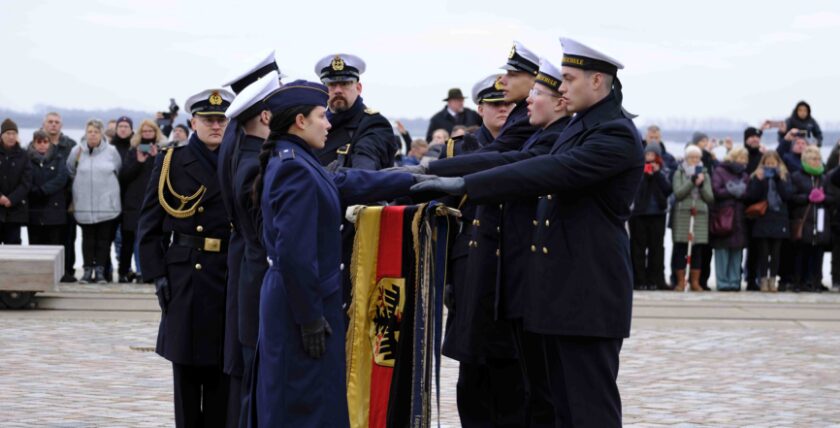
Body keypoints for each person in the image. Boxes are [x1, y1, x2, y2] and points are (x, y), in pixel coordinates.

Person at [414, 37, 642, 427]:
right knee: (559, 410)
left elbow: (550, 171)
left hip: (588, 297)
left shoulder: (615, 134)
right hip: (559, 297)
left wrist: (468, 184)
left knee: (589, 410)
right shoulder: (581, 127)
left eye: (568, 79)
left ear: (598, 82)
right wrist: (437, 172)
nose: (562, 87)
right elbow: (519, 158)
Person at [249, 80, 417, 427]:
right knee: (301, 404)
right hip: (301, 306)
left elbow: (346, 183)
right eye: (321, 116)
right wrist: (310, 318)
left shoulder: (295, 159)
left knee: (311, 398)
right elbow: (295, 254)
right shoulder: (294, 167)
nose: (328, 124)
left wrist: (412, 177)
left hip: (299, 300)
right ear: (300, 121)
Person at [137, 88, 235, 428]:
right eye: (208, 119)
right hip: (185, 276)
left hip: (228, 276)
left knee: (226, 375)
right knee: (187, 375)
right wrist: (157, 275)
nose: (216, 126)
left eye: (222, 119)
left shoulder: (239, 160)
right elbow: (149, 227)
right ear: (193, 121)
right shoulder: (170, 161)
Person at [219, 52, 283, 428]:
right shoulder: (252, 160)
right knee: (255, 379)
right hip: (256, 272)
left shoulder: (235, 139)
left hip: (245, 264)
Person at [313, 53, 395, 171]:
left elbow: (364, 173)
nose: (338, 90)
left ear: (358, 88)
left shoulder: (374, 124)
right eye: (331, 84)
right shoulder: (317, 125)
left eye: (345, 83)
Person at [66, 119, 122, 283]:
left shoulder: (112, 151)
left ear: (101, 133)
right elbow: (70, 170)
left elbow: (118, 170)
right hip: (84, 203)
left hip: (106, 203)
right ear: (85, 132)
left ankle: (100, 272)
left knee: (103, 240)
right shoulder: (76, 151)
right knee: (88, 239)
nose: (92, 134)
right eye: (90, 131)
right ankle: (87, 270)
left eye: (96, 132)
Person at [118, 120, 165, 283]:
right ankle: (124, 272)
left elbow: (162, 176)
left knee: (150, 238)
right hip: (133, 201)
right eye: (144, 132)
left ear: (155, 133)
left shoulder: (162, 151)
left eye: (150, 132)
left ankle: (147, 272)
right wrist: (139, 162)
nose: (146, 135)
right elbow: (124, 177)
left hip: (153, 200)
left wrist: (154, 158)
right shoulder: (133, 151)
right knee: (128, 239)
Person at [745, 151, 793, 292]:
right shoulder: (757, 176)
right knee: (763, 252)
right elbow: (751, 196)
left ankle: (773, 280)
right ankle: (763, 281)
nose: (770, 166)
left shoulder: (784, 176)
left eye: (773, 163)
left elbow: (787, 196)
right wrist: (759, 181)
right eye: (768, 163)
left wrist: (778, 179)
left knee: (776, 252)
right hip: (763, 217)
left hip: (779, 217)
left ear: (778, 164)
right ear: (763, 163)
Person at [671, 145, 714, 291]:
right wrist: (691, 182)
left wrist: (701, 185)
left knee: (697, 250)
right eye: (691, 157)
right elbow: (678, 193)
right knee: (681, 248)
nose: (694, 160)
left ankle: (695, 281)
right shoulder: (679, 173)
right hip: (683, 213)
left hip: (700, 214)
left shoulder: (705, 174)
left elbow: (710, 197)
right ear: (686, 158)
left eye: (697, 157)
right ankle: (681, 281)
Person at [789, 145, 832, 292]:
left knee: (818, 253)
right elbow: (791, 197)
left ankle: (815, 281)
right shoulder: (796, 176)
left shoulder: (824, 178)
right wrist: (807, 197)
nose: (817, 161)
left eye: (819, 158)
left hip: (820, 221)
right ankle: (798, 282)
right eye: (814, 159)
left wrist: (823, 198)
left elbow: (833, 198)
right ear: (806, 160)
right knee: (801, 253)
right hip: (803, 220)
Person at [629, 143, 672, 290]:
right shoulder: (637, 169)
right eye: (647, 155)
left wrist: (657, 174)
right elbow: (635, 191)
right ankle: (639, 280)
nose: (649, 158)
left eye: (652, 155)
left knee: (657, 249)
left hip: (658, 214)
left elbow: (668, 190)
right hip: (639, 214)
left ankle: (656, 280)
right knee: (638, 249)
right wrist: (645, 176)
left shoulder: (664, 170)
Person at [43, 112, 79, 282]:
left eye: (57, 122)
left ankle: (67, 271)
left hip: (66, 198)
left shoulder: (71, 145)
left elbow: (76, 171)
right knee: (43, 238)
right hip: (43, 199)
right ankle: (45, 272)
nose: (53, 125)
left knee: (68, 238)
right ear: (44, 124)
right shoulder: (37, 143)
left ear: (61, 126)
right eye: (50, 122)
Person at [711, 147, 750, 291]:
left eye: (745, 159)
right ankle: (722, 282)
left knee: (737, 251)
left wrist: (739, 192)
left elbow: (748, 193)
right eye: (741, 158)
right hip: (723, 215)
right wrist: (732, 190)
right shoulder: (720, 171)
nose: (743, 162)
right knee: (722, 251)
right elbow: (716, 191)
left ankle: (735, 282)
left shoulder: (745, 175)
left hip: (740, 217)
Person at [27, 130, 68, 245]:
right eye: (39, 142)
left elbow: (61, 178)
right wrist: (34, 190)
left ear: (50, 143)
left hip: (54, 212)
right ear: (34, 143)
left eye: (45, 142)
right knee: (36, 248)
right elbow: (25, 179)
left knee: (54, 248)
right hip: (34, 212)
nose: (42, 144)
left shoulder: (59, 158)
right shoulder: (27, 160)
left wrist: (43, 190)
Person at [0, 119, 32, 245]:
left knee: (13, 248)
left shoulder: (24, 155)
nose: (11, 137)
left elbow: (27, 182)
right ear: (2, 135)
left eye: (14, 133)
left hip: (15, 211)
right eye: (8, 133)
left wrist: (11, 199)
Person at [743, 126, 765, 291]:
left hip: (760, 208)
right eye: (751, 137)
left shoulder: (763, 157)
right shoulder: (741, 156)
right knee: (741, 244)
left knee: (756, 247)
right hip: (743, 206)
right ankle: (740, 277)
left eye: (757, 137)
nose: (755, 140)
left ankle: (753, 279)